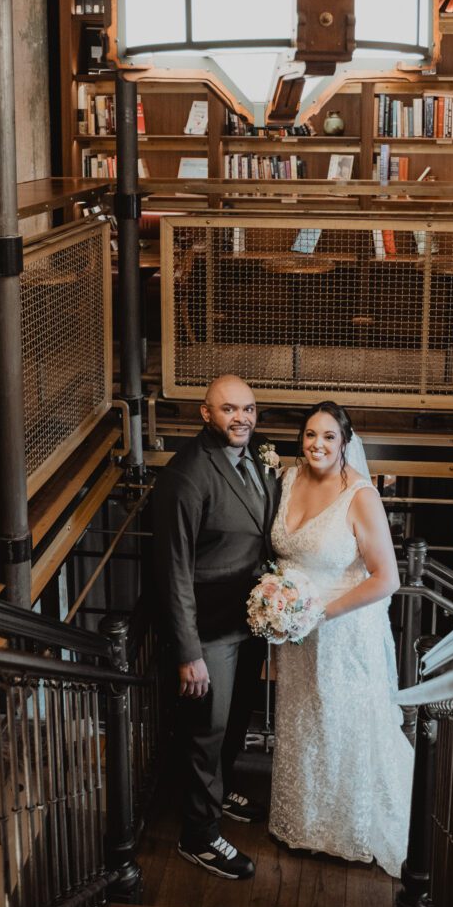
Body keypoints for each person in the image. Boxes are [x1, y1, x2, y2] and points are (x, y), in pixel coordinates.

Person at [268, 401, 414, 873]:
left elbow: (386, 578)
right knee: (304, 723)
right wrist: (280, 604)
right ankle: (305, 824)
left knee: (343, 726)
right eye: (311, 435)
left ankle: (348, 825)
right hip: (297, 634)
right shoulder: (288, 480)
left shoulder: (361, 496)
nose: (318, 445)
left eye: (329, 436)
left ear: (345, 443)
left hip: (345, 632)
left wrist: (319, 614)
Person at [152, 375, 280, 880]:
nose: (242, 418)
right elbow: (173, 570)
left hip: (248, 621)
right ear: (206, 414)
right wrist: (189, 652)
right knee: (206, 732)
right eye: (229, 409)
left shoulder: (255, 462)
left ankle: (222, 794)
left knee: (233, 723)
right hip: (208, 632)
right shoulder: (187, 475)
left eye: (248, 409)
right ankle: (198, 835)